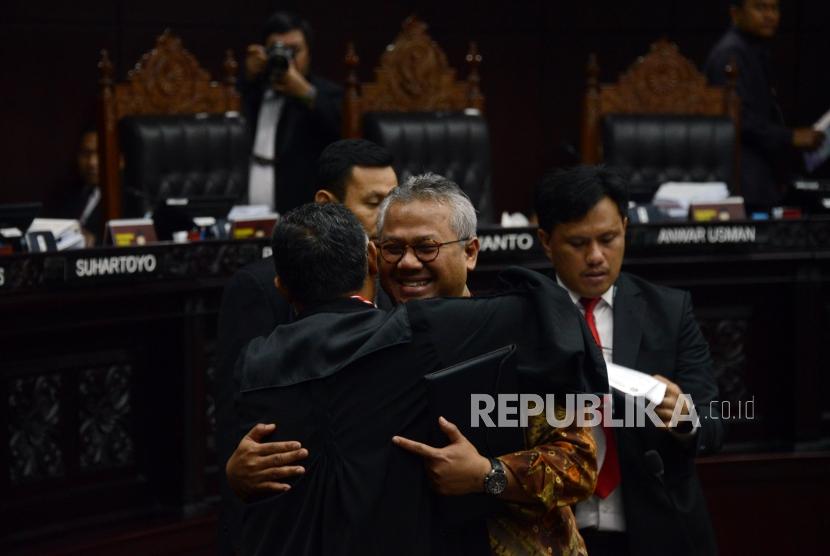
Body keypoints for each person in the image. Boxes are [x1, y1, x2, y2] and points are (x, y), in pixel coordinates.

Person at [229, 174, 603, 555]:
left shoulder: (519, 339)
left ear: (470, 252)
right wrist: (241, 472)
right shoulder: (360, 344)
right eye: (392, 247)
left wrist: (487, 475)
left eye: (427, 247)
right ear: (373, 257)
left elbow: (580, 464)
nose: (407, 263)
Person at [215, 139, 397, 555]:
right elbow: (236, 416)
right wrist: (234, 474)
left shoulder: (392, 268)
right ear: (326, 203)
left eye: (394, 200)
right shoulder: (259, 287)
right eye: (374, 202)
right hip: (286, 512)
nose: (389, 216)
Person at [534, 165, 725, 556]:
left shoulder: (669, 311)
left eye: (609, 239)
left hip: (657, 528)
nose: (596, 257)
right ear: (546, 242)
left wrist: (686, 419)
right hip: (555, 532)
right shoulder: (521, 315)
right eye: (577, 243)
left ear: (625, 227)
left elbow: (714, 423)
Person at [704, 0, 825, 210]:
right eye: (760, 7)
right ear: (736, 13)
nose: (770, 15)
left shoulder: (753, 49)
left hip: (762, 175)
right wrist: (791, 136)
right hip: (741, 179)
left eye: (774, 8)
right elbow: (737, 119)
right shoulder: (730, 53)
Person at [240, 11, 342, 214]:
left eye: (293, 51)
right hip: (246, 217)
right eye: (276, 50)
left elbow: (342, 129)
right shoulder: (251, 91)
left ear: (309, 53)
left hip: (302, 216)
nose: (285, 58)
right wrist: (248, 76)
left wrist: (305, 93)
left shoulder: (326, 94)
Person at [49, 129, 103, 245]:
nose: (92, 163)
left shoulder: (128, 196)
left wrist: (95, 241)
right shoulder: (64, 193)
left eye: (99, 153)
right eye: (86, 154)